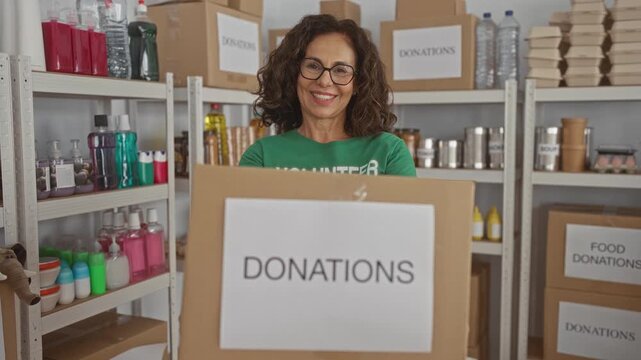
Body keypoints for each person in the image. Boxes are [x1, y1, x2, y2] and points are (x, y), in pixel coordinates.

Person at [240, 14, 416, 177]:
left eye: (340, 70)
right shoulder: (261, 156)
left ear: (358, 83)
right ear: (293, 73)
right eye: (313, 66)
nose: (324, 81)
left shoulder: (389, 152)